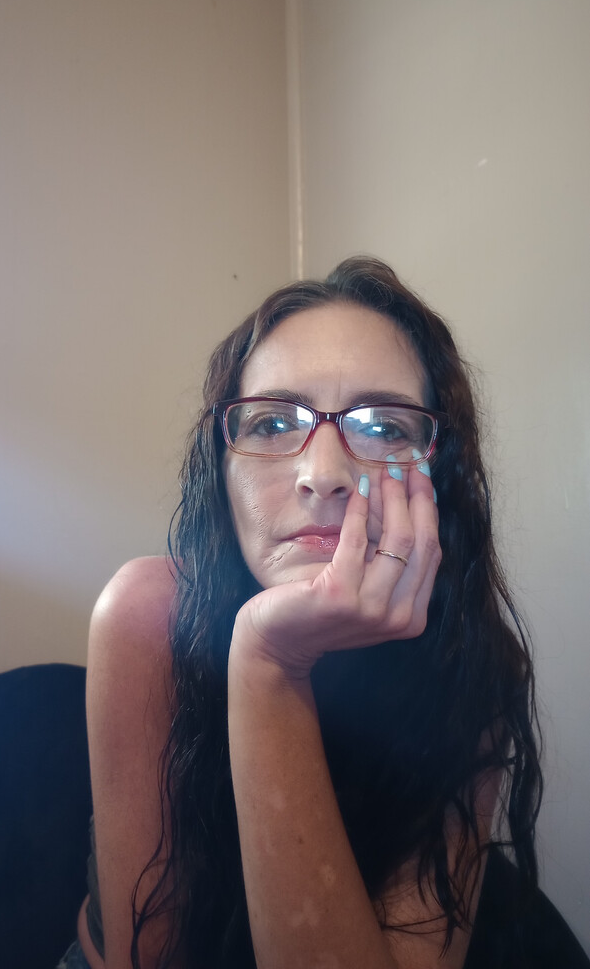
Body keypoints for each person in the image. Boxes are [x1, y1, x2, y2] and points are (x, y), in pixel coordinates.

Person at [61, 257, 542, 969]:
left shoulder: (472, 662)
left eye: (382, 427)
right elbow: (152, 959)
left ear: (437, 473)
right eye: (272, 422)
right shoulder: (147, 612)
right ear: (220, 467)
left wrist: (269, 665)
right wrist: (268, 660)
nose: (323, 476)